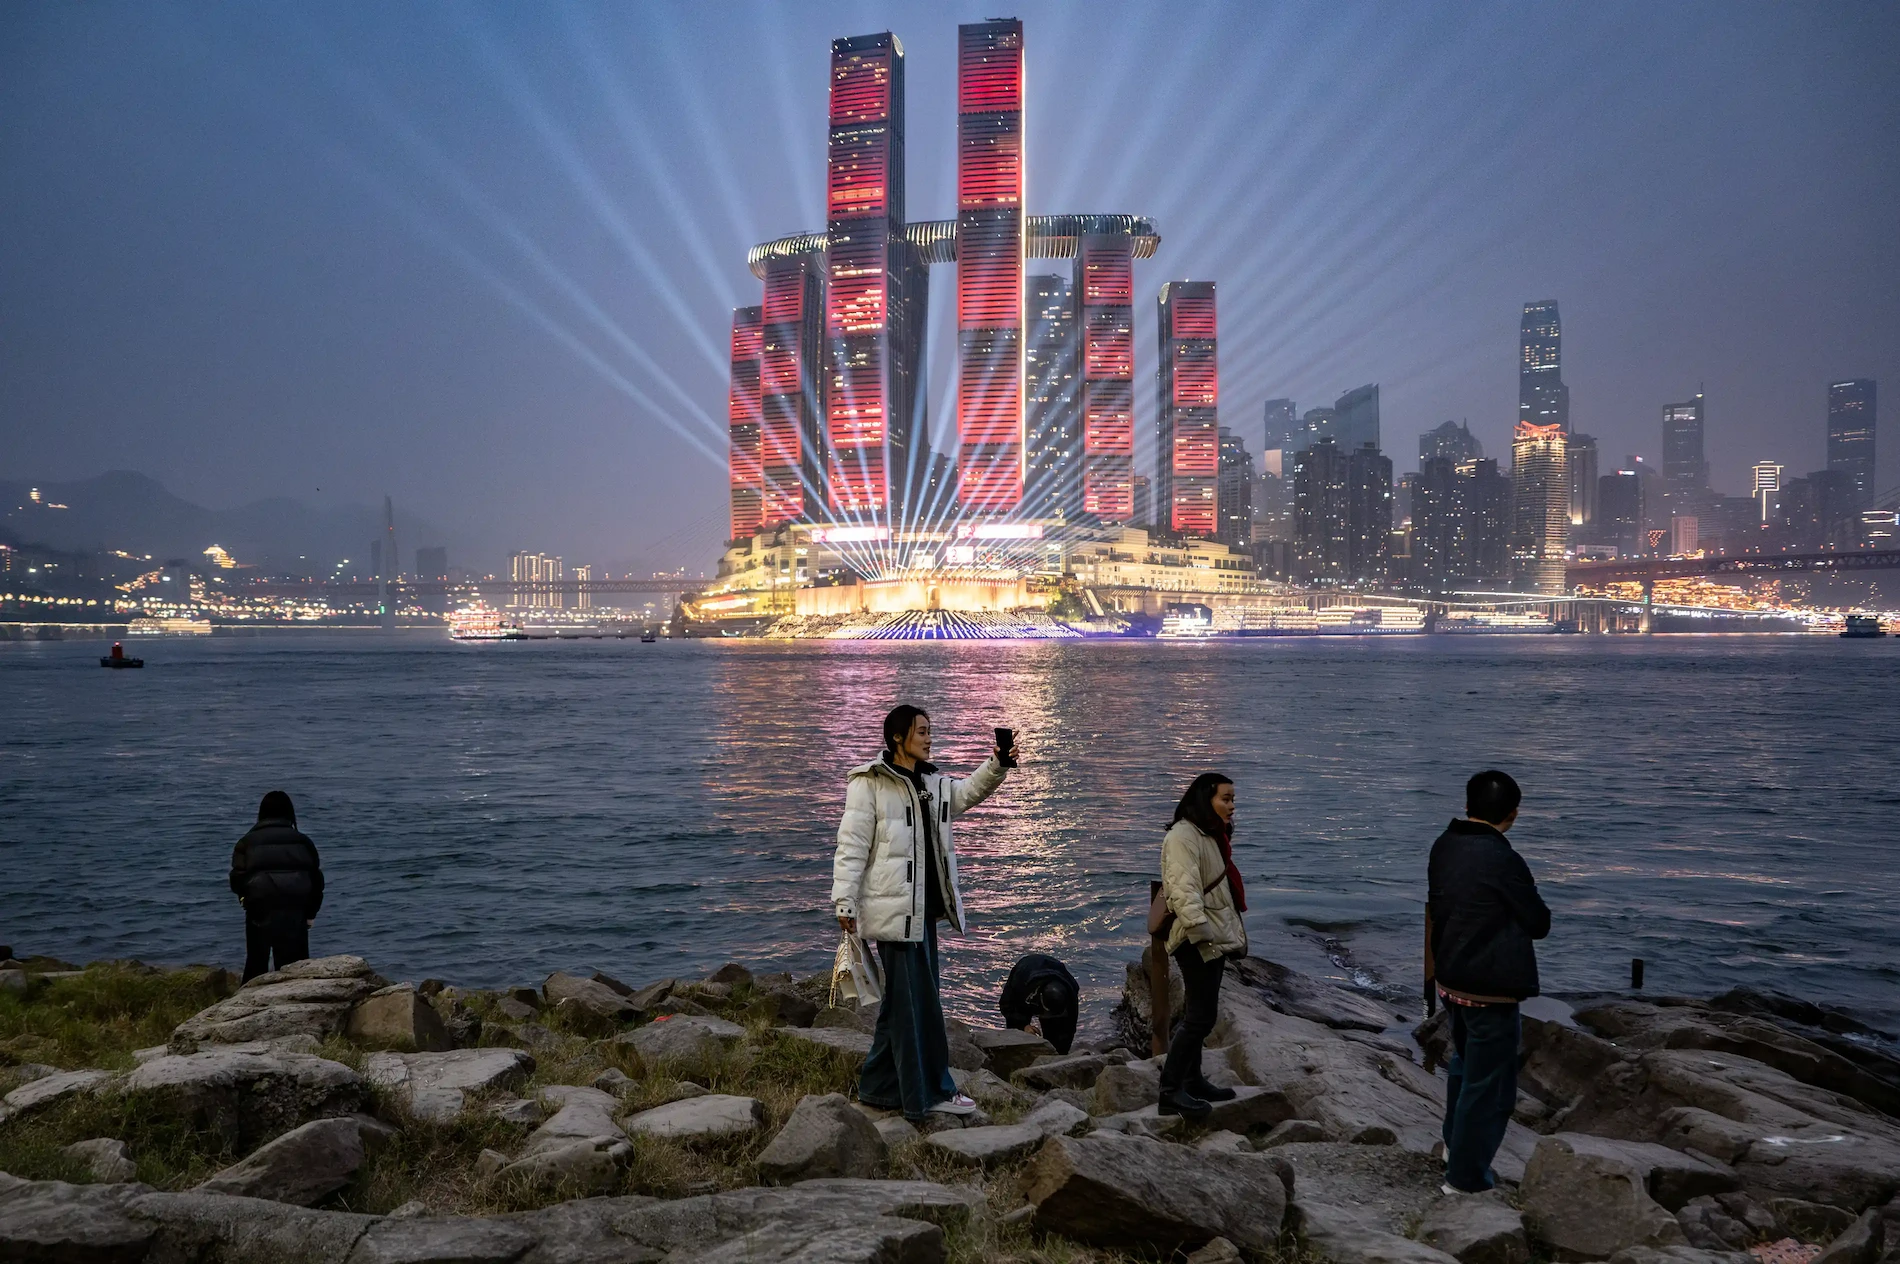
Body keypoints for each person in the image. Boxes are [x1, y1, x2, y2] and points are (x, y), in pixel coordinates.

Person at [832, 705, 1014, 1123]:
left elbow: (966, 793)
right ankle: (928, 1095)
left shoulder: (930, 782)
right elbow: (852, 845)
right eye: (922, 732)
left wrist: (997, 764)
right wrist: (845, 901)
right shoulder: (870, 783)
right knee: (918, 1009)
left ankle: (879, 1089)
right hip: (894, 916)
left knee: (903, 1006)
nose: (930, 739)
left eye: (930, 731)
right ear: (898, 737)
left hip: (923, 915)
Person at [1426, 769, 1551, 1194]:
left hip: (1450, 977)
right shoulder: (1503, 859)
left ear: (1467, 805)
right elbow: (1538, 922)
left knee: (1464, 1066)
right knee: (1491, 1088)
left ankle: (1453, 1146)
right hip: (1489, 986)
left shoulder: (1444, 845)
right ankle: (1465, 1180)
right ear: (1513, 814)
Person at [1157, 772, 1249, 1120]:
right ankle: (1169, 1092)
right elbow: (1183, 889)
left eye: (1233, 799)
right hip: (1197, 937)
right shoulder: (1183, 836)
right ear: (1204, 799)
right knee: (1200, 1018)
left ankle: (1192, 1080)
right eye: (1225, 798)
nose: (1232, 806)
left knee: (1200, 1014)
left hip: (1211, 934)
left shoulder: (1209, 834)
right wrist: (1201, 932)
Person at [229, 790, 324, 982]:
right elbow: (316, 882)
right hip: (296, 910)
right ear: (289, 813)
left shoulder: (246, 842)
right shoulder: (303, 842)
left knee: (256, 964)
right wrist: (310, 914)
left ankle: (250, 998)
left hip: (259, 908)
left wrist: (245, 901)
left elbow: (237, 879)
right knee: (296, 969)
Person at [999, 952, 1079, 1054]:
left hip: (1055, 975)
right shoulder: (1021, 982)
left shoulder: (1071, 993)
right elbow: (1006, 1005)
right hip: (1026, 972)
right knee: (1017, 1036)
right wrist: (1023, 1025)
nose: (1045, 1016)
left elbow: (1069, 1028)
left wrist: (1062, 1053)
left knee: (1058, 1039)